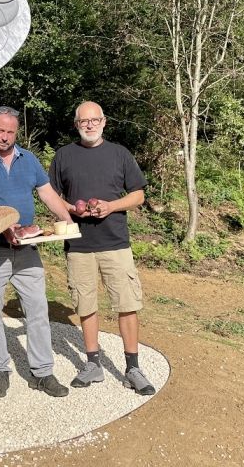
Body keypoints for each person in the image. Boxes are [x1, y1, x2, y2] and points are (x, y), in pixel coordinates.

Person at [49, 101, 156, 396]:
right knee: (86, 305)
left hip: (115, 242)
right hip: (79, 245)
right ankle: (93, 363)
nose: (90, 125)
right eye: (84, 121)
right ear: (76, 124)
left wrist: (111, 206)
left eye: (95, 120)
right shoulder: (64, 156)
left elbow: (138, 195)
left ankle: (133, 367)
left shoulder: (120, 154)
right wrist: (72, 209)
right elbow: (52, 196)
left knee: (127, 304)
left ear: (104, 122)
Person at [0, 106, 72, 398]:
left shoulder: (28, 160)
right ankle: (0, 371)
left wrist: (68, 221)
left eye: (10, 132)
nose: (4, 137)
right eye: (0, 130)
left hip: (27, 249)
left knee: (37, 310)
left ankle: (42, 373)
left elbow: (47, 193)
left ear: (18, 133)